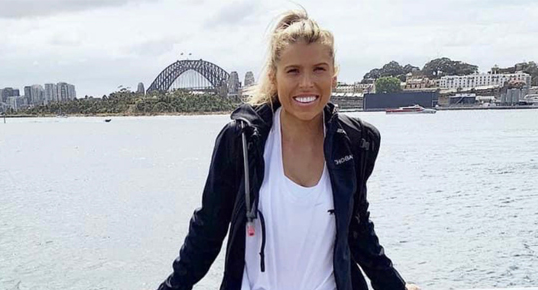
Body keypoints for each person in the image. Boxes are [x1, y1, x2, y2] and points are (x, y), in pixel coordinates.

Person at [158, 9, 419, 290]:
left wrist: (396, 287)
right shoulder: (242, 140)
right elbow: (207, 231)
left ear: (334, 76)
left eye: (319, 69)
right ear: (274, 77)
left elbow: (358, 231)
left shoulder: (356, 141)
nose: (306, 83)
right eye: (293, 71)